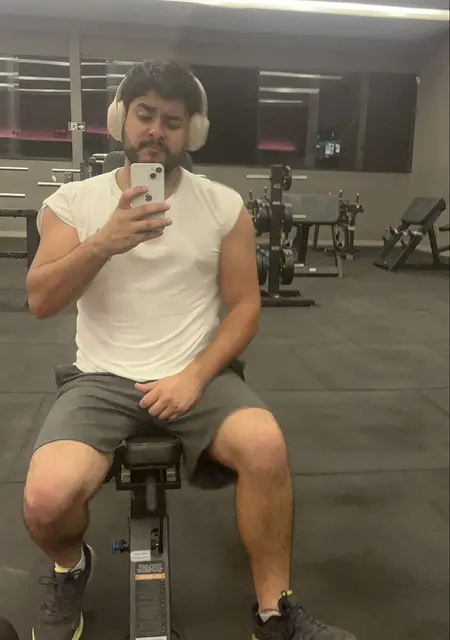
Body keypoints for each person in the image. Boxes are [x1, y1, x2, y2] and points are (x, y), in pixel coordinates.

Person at [22, 60, 356, 640]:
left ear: (191, 133)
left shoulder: (223, 206)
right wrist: (103, 243)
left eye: (172, 121)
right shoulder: (71, 203)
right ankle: (71, 566)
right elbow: (41, 300)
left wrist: (196, 376)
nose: (156, 130)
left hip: (196, 374)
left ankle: (275, 613)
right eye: (145, 115)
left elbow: (245, 307)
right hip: (100, 378)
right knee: (46, 499)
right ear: (121, 120)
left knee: (266, 446)